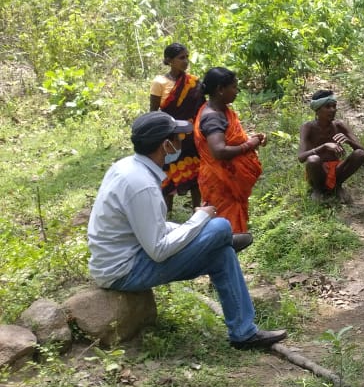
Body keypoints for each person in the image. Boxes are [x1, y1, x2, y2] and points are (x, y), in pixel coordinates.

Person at [87, 112, 286, 350]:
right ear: (166, 145)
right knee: (220, 225)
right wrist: (199, 219)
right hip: (125, 270)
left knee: (222, 253)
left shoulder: (127, 167)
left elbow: (153, 227)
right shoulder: (140, 185)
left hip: (125, 257)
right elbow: (159, 250)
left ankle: (244, 333)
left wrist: (194, 224)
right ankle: (222, 238)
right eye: (179, 138)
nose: (182, 143)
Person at [194, 67, 265, 234]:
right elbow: (219, 151)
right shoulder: (212, 117)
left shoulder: (221, 111)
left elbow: (230, 138)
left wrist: (253, 139)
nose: (237, 91)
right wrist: (250, 145)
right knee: (224, 230)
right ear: (220, 89)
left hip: (225, 180)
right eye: (233, 87)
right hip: (220, 182)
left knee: (228, 227)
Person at [149, 43, 204, 212]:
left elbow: (201, 109)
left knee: (196, 178)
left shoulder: (193, 82)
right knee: (168, 177)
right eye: (181, 58)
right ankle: (166, 217)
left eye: (187, 57)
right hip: (171, 137)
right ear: (169, 60)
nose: (185, 61)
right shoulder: (159, 82)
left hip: (191, 135)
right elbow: (154, 112)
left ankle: (198, 215)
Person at [298, 90, 364, 203]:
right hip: (318, 171)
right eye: (327, 107)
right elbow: (301, 157)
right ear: (317, 109)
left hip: (337, 170)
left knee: (359, 153)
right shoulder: (308, 127)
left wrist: (349, 141)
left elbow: (363, 151)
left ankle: (337, 186)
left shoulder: (339, 125)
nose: (333, 110)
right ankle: (318, 190)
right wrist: (324, 146)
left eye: (334, 106)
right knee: (313, 159)